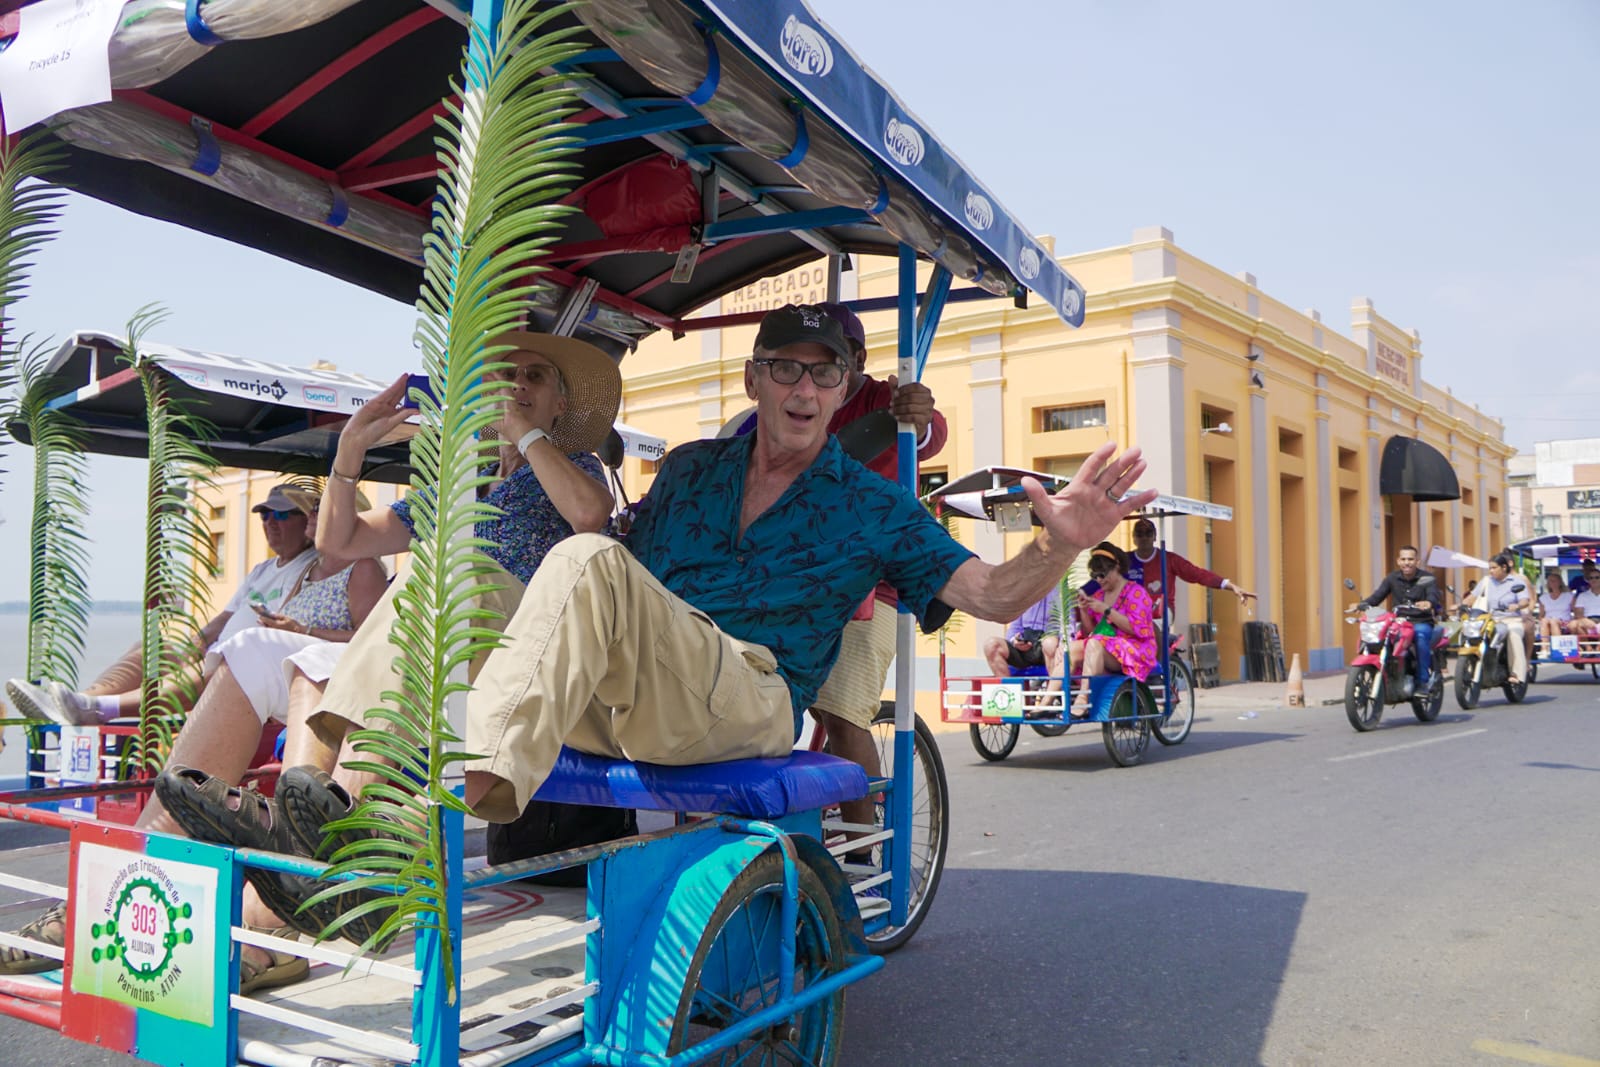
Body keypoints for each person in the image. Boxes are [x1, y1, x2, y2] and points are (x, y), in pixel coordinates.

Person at [157, 304, 1156, 928]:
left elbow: (984, 594)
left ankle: (458, 796)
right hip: (638, 684)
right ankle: (340, 817)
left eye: (826, 373)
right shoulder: (689, 471)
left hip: (750, 694)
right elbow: (605, 571)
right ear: (757, 379)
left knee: (584, 555)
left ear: (845, 389)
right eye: (787, 368)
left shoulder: (873, 505)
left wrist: (1060, 540)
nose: (805, 388)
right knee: (448, 574)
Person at [1, 332, 618, 984]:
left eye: (536, 376)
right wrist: (351, 450)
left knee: (389, 617)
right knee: (250, 651)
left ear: (560, 404)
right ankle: (128, 876)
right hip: (417, 648)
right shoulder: (458, 487)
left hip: (495, 666)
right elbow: (342, 539)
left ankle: (277, 915)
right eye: (505, 373)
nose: (517, 384)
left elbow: (588, 516)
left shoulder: (577, 469)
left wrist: (524, 435)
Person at [808, 301, 947, 860]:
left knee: (842, 713)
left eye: (827, 362)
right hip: (796, 582)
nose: (813, 375)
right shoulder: (792, 405)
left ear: (857, 361)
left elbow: (928, 432)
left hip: (874, 589)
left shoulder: (880, 401)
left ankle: (864, 856)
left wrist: (919, 412)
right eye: (798, 362)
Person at [4, 484, 320, 727]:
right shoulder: (261, 570)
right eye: (265, 515)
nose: (270, 523)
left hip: (248, 665)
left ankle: (99, 710)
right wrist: (192, 645)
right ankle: (79, 700)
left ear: (306, 521)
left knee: (219, 663)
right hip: (222, 652)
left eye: (281, 515)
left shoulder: (312, 565)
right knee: (153, 647)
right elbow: (221, 619)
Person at [1066, 542, 1158, 718]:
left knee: (1094, 644)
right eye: (1095, 576)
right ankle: (1048, 700)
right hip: (1106, 647)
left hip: (1135, 647)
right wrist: (1084, 611)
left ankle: (1083, 698)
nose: (1099, 580)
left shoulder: (1136, 592)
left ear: (1116, 568)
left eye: (1102, 574)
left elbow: (1136, 629)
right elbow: (1090, 632)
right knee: (1073, 648)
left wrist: (1107, 610)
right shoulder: (1099, 595)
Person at [1126, 516, 1254, 630]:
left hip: (1162, 611)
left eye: (1148, 534)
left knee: (1153, 627)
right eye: (1139, 534)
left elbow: (1198, 574)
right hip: (1131, 612)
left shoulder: (1169, 559)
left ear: (1154, 537)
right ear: (1133, 538)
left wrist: (1231, 586)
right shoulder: (1124, 560)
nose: (1144, 538)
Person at [1350, 545, 1443, 693]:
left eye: (1411, 559)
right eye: (1404, 559)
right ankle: (1390, 673)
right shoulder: (1392, 578)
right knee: (1380, 637)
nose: (1407, 562)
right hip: (1398, 622)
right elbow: (1378, 596)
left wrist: (1429, 603)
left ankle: (1422, 681)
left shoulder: (1427, 578)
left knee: (1419, 637)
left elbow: (1433, 594)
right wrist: (1362, 605)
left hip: (1420, 621)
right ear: (1398, 561)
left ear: (1417, 561)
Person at [1462, 554, 1532, 685]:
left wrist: (1516, 605)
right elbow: (1472, 597)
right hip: (1490, 619)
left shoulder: (1517, 582)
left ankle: (1516, 673)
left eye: (1494, 568)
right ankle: (1472, 667)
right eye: (1490, 568)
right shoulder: (1486, 581)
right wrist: (1460, 605)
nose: (1491, 571)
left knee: (1514, 634)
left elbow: (1525, 601)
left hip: (1511, 619)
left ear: (1504, 567)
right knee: (1472, 633)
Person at [1537, 569, 1574, 640]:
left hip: (1564, 622)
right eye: (1550, 581)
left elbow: (1575, 611)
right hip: (1548, 621)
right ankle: (1544, 646)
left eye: (1554, 581)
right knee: (1545, 621)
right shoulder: (1543, 597)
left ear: (1560, 582)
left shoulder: (1569, 596)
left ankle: (1557, 645)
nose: (1552, 583)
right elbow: (1541, 615)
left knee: (1553, 621)